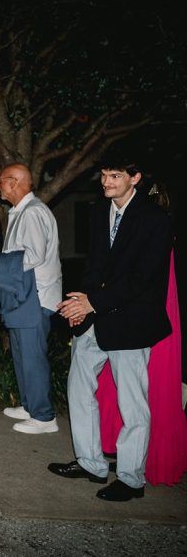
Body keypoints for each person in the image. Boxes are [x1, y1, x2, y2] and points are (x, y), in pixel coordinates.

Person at [50, 155, 173, 501]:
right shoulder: (99, 211)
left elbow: (141, 280)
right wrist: (80, 305)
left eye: (114, 175)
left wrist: (92, 303)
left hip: (132, 321)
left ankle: (132, 479)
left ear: (135, 178)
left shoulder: (155, 219)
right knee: (78, 384)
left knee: (132, 403)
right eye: (103, 175)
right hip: (97, 317)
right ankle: (91, 462)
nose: (106, 182)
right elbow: (95, 264)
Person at [95, 182, 187, 487]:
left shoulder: (157, 233)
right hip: (129, 320)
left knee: (138, 395)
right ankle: (123, 458)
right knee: (132, 391)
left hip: (145, 319)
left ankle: (133, 470)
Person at [0, 163, 62, 434]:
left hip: (35, 296)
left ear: (14, 182)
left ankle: (44, 417)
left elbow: (33, 255)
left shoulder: (32, 213)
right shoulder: (21, 212)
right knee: (21, 355)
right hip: (25, 294)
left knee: (32, 357)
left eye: (0, 181)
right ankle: (31, 405)